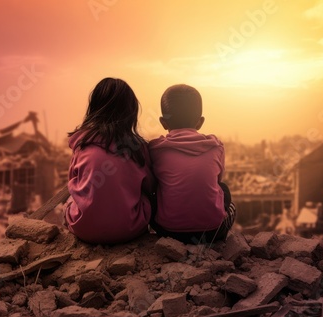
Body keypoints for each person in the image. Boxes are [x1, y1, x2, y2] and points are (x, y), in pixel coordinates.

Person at [64, 77, 155, 244]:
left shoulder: (81, 144)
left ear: (94, 109)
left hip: (85, 230)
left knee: (70, 201)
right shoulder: (137, 148)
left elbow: (73, 182)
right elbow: (149, 186)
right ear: (131, 112)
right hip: (130, 229)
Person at [148, 84, 236, 245]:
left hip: (167, 231)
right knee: (224, 190)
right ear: (200, 122)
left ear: (163, 122)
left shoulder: (155, 149)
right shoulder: (215, 146)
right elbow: (216, 182)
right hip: (211, 233)